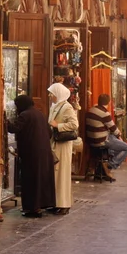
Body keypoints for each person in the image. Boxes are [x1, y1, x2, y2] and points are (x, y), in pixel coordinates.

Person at [7, 95, 56, 217]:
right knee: (40, 179)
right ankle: (40, 205)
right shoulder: (40, 114)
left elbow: (14, 128)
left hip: (31, 153)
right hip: (43, 152)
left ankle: (32, 209)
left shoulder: (25, 115)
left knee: (31, 180)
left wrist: (5, 120)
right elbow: (49, 133)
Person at [47, 83, 79, 216]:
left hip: (63, 145)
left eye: (52, 93)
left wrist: (58, 125)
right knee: (56, 175)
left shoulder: (66, 107)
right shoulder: (55, 106)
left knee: (62, 175)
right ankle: (56, 202)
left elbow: (74, 124)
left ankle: (64, 204)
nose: (50, 96)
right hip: (55, 144)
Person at [86, 94, 127, 175]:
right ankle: (109, 165)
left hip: (91, 138)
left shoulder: (92, 109)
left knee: (114, 140)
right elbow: (114, 128)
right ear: (109, 102)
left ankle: (106, 164)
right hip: (101, 140)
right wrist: (119, 136)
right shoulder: (104, 113)